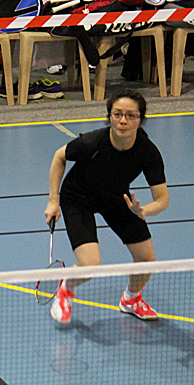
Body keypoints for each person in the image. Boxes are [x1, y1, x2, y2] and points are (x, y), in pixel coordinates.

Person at [45, 89, 169, 324]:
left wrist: (144, 211)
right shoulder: (92, 142)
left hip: (116, 198)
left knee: (146, 259)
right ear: (109, 116)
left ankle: (130, 299)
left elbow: (162, 198)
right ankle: (67, 286)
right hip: (78, 199)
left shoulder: (147, 152)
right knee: (90, 265)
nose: (123, 121)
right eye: (117, 114)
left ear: (141, 120)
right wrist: (53, 201)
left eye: (131, 116)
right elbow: (59, 157)